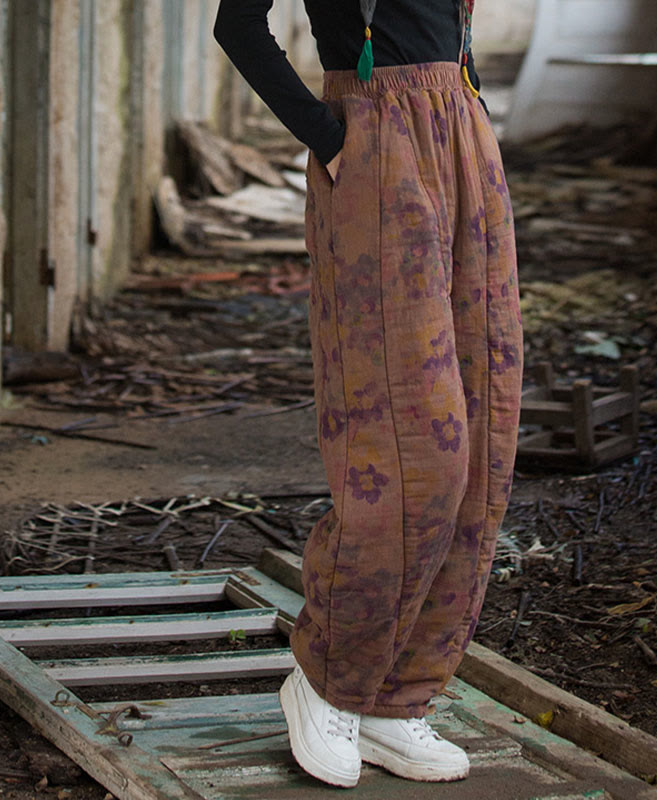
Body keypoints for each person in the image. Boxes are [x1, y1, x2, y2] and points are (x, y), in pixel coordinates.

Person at [214, 0, 523, 788]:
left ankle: (399, 697)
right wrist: (333, 136)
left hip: (464, 134)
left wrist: (468, 105)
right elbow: (238, 24)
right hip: (376, 139)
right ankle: (328, 681)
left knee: (484, 437)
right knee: (412, 449)